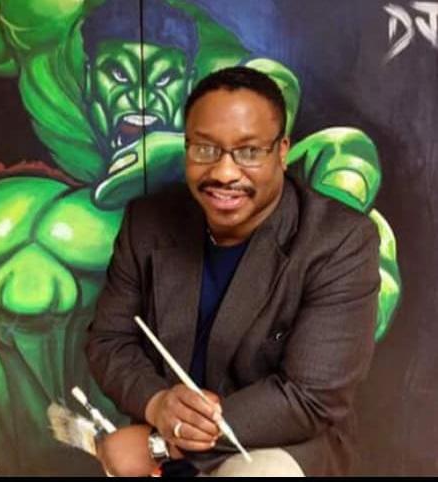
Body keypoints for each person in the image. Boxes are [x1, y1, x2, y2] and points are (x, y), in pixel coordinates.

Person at [86, 66, 380, 477]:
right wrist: (156, 404)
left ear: (281, 151)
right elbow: (109, 340)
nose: (224, 173)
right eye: (205, 149)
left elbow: (310, 397)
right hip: (164, 430)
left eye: (249, 151)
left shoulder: (339, 240)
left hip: (277, 447)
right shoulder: (147, 222)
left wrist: (163, 444)